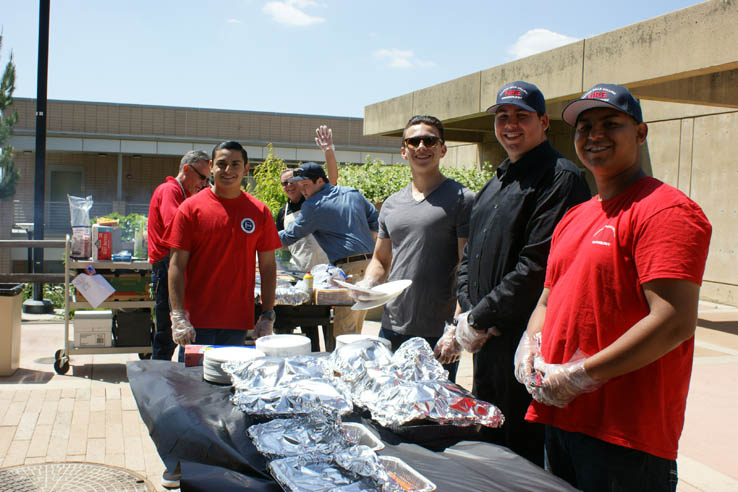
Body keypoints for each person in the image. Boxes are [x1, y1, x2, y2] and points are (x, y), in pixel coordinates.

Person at [517, 84, 712, 491]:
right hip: (561, 417)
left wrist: (582, 374)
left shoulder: (666, 210)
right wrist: (531, 345)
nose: (594, 135)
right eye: (584, 127)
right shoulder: (575, 217)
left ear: (640, 134)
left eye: (611, 124)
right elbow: (548, 299)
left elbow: (674, 321)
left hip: (625, 434)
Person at [453, 81, 591, 466]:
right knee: (491, 443)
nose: (510, 124)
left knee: (521, 454)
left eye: (521, 116)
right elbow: (470, 257)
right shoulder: (496, 181)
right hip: (485, 342)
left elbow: (536, 267)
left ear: (544, 122)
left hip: (524, 345)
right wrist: (468, 312)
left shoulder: (559, 178)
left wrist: (478, 318)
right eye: (502, 116)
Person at [356, 115, 473, 382]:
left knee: (431, 417)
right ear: (403, 151)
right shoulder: (391, 204)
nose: (422, 146)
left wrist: (455, 328)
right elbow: (381, 260)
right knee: (389, 406)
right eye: (414, 141)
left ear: (442, 149)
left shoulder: (462, 200)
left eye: (429, 140)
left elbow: (467, 270)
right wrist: (367, 283)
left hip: (437, 332)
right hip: (391, 327)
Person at [165, 140, 281, 355]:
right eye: (222, 164)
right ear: (211, 166)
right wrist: (178, 314)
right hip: (196, 322)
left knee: (229, 384)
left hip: (236, 321)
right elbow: (176, 265)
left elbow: (267, 267)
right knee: (193, 385)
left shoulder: (259, 212)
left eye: (235, 164)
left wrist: (267, 315)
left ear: (246, 168)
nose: (228, 170)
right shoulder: (190, 209)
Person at [279, 161, 379, 344]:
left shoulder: (314, 205)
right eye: (300, 186)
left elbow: (289, 236)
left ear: (319, 181)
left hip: (349, 270)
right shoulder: (352, 193)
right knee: (355, 328)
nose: (303, 191)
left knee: (344, 334)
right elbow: (376, 221)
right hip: (371, 266)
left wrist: (256, 238)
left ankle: (343, 372)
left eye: (305, 185)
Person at [147, 150, 210, 361]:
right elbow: (174, 225)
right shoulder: (169, 190)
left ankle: (182, 376)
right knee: (167, 332)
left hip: (176, 264)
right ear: (185, 169)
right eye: (202, 177)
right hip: (167, 266)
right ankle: (159, 381)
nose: (203, 184)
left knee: (186, 329)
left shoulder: (185, 194)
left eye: (207, 179)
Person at [276, 125, 339, 271]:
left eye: (292, 181)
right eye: (284, 183)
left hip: (326, 271)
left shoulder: (315, 199)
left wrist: (328, 150)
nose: (289, 186)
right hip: (298, 273)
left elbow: (333, 179)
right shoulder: (282, 214)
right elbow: (278, 242)